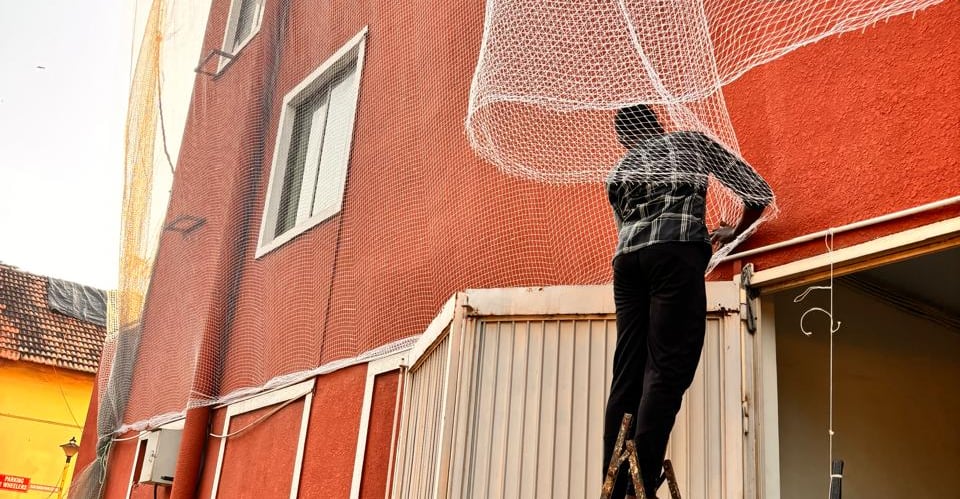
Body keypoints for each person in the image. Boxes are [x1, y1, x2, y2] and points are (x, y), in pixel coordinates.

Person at [603, 104, 772, 498]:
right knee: (667, 367)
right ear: (659, 123)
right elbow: (758, 193)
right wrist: (735, 231)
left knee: (627, 373)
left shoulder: (618, 172)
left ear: (625, 139)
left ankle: (613, 484)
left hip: (628, 263)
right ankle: (639, 485)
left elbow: (627, 228)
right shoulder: (691, 144)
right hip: (675, 253)